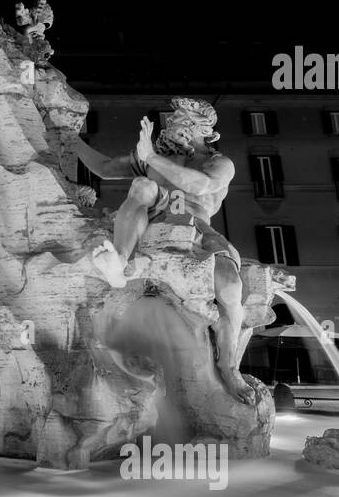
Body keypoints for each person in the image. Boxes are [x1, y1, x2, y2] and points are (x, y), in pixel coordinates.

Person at [74, 97, 254, 405]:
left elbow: (198, 186)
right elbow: (103, 167)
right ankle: (120, 260)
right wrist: (68, 136)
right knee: (143, 186)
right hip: (151, 221)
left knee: (232, 287)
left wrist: (152, 159)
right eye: (170, 121)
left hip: (198, 229)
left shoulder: (218, 163)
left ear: (199, 127)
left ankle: (229, 365)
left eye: (177, 120)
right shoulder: (151, 159)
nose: (169, 125)